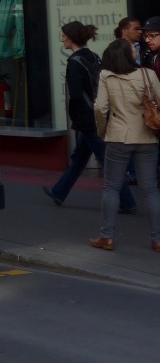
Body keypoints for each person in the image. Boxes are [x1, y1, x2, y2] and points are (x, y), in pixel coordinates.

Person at [43, 23, 135, 212]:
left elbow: (76, 95)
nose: (62, 39)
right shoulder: (93, 56)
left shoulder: (74, 62)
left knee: (106, 160)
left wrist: (75, 117)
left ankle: (128, 202)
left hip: (88, 119)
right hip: (98, 113)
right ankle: (59, 191)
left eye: (64, 36)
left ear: (71, 38)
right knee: (79, 158)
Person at [90, 38, 160, 252]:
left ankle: (107, 237)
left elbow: (100, 108)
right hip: (147, 136)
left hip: (118, 136)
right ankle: (158, 239)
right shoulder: (148, 74)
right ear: (129, 55)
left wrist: (103, 131)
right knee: (150, 189)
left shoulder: (106, 76)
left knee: (111, 187)